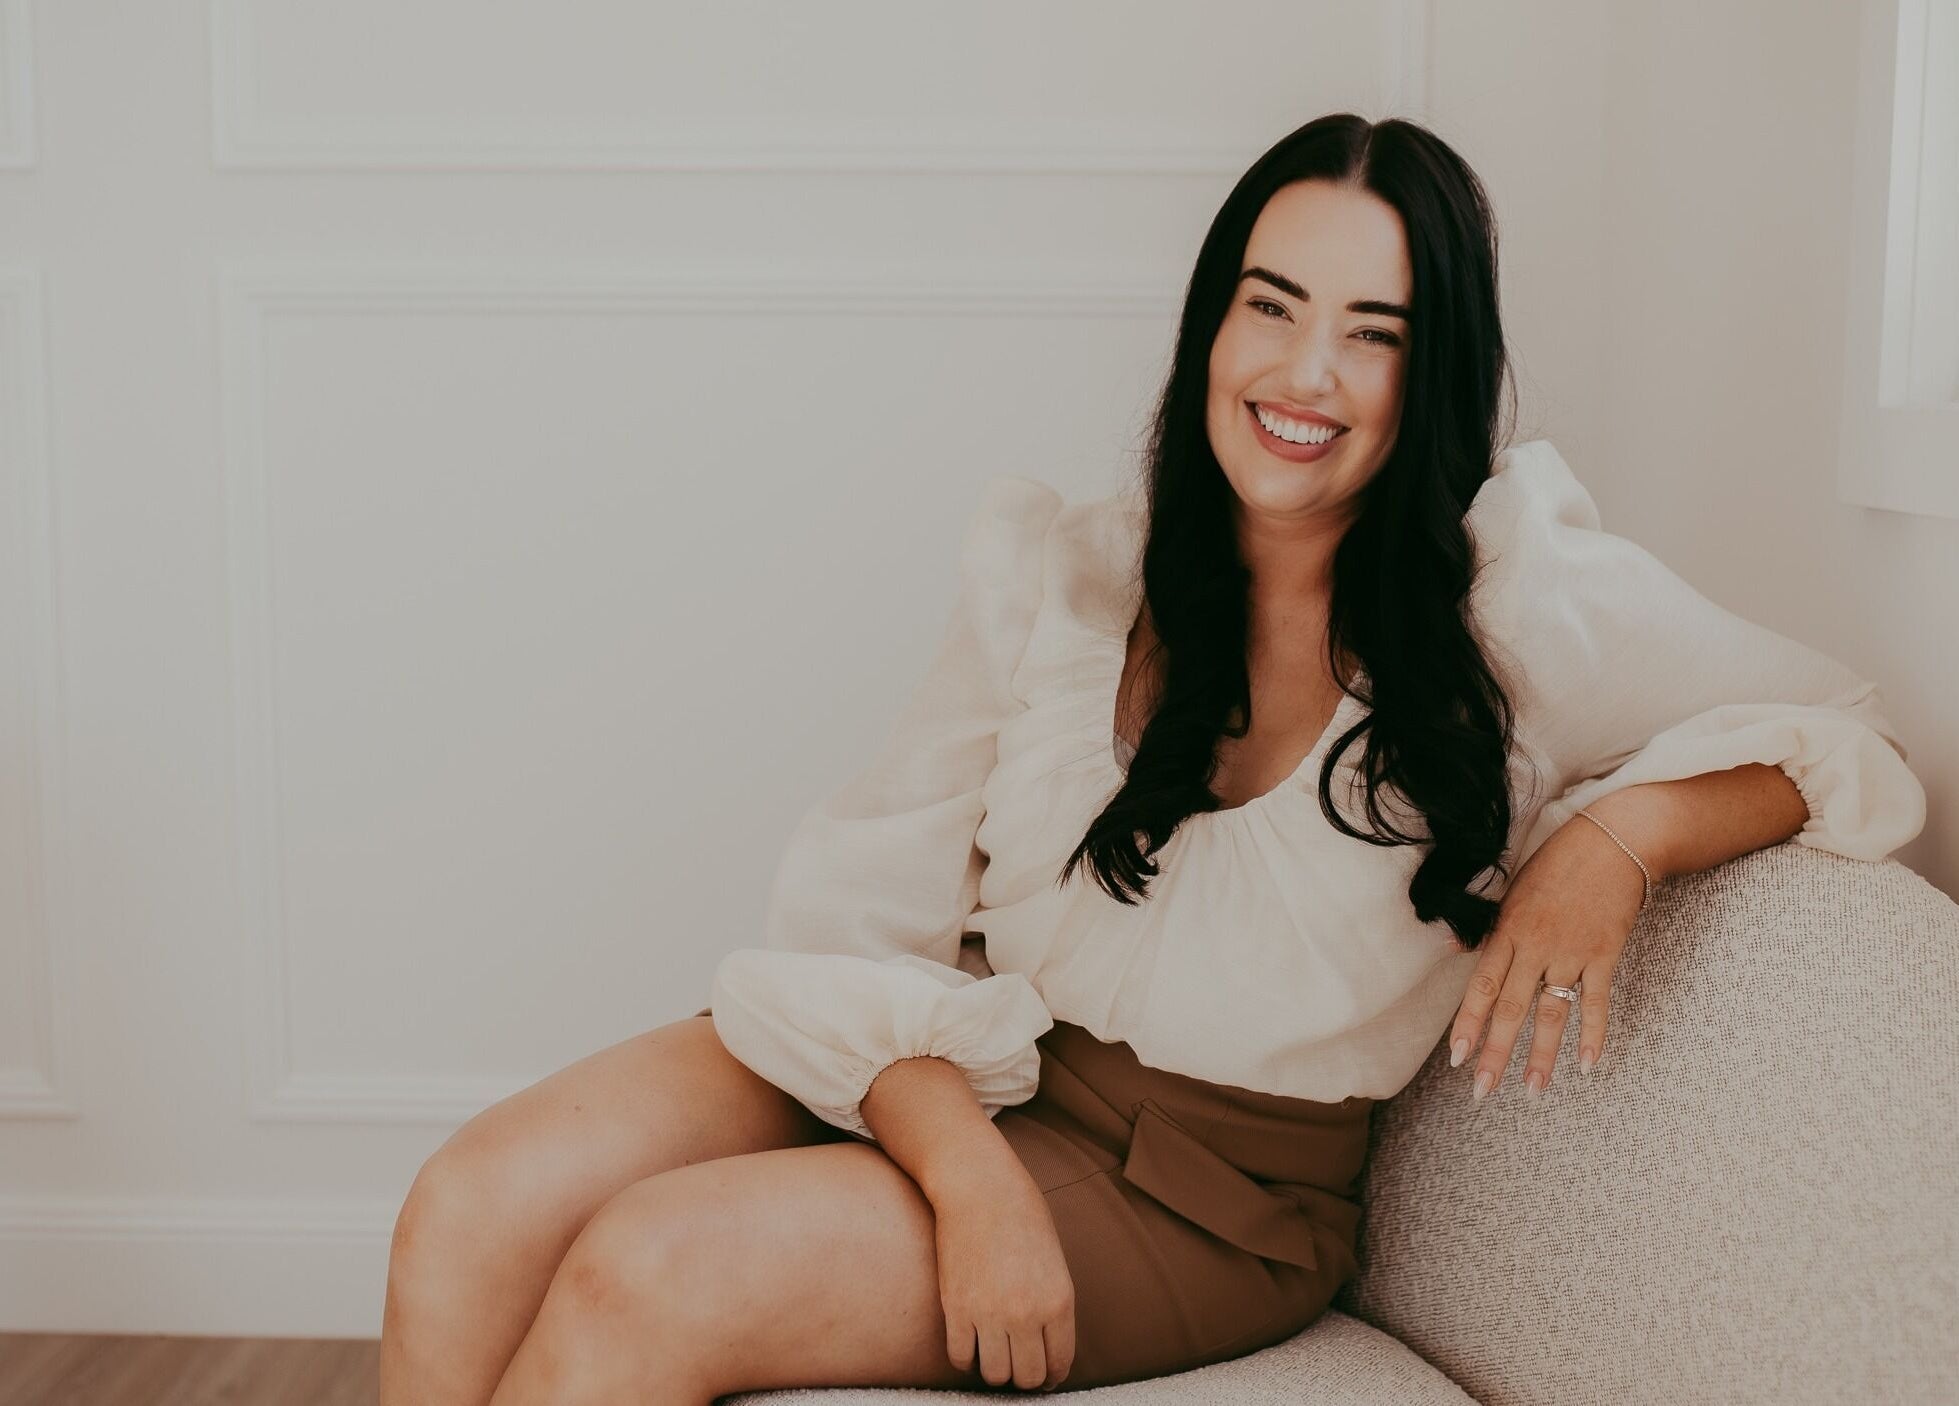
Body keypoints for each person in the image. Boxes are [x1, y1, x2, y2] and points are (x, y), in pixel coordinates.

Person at [380, 113, 1927, 1405]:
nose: (1306, 371)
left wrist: (1619, 840)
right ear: (1213, 324)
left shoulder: (1523, 605)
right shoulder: (1075, 572)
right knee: (469, 1205)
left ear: (1430, 372)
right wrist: (964, 1169)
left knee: (650, 1271)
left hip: (1195, 1191)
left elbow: (1846, 728)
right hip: (949, 1055)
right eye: (1272, 304)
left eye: (1371, 333)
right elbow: (866, 919)